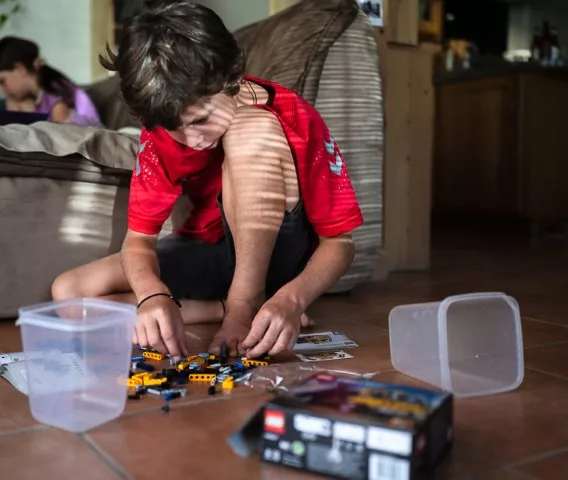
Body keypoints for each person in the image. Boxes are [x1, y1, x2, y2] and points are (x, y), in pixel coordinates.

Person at [51, 0, 363, 360]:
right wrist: (153, 296)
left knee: (250, 128)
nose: (191, 140)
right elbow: (138, 241)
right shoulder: (162, 131)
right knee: (69, 293)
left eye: (200, 120)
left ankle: (246, 305)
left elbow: (340, 243)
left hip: (276, 256)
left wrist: (292, 299)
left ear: (233, 77)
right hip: (208, 251)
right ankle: (220, 307)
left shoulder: (293, 115)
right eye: (173, 128)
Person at [0, 36, 102, 127]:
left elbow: (59, 138)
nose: (2, 90)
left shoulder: (57, 96)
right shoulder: (42, 95)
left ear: (20, 69)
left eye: (2, 81)